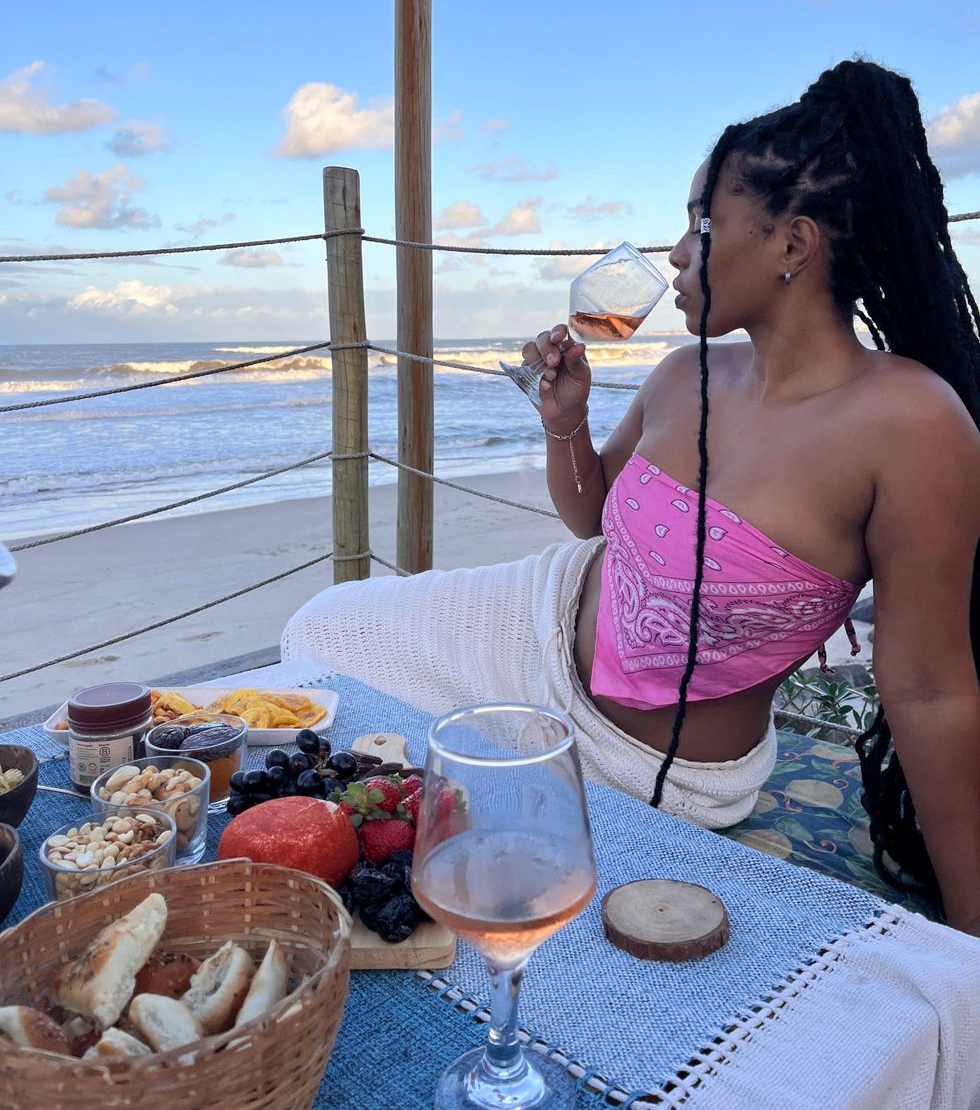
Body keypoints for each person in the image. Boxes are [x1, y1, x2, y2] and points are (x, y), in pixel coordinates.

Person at [283, 59, 979, 935]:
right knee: (319, 629)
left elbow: (928, 688)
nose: (678, 254)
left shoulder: (911, 424)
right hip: (533, 619)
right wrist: (565, 421)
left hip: (665, 767)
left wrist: (969, 937)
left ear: (793, 244)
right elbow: (591, 519)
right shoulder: (687, 367)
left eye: (701, 224)